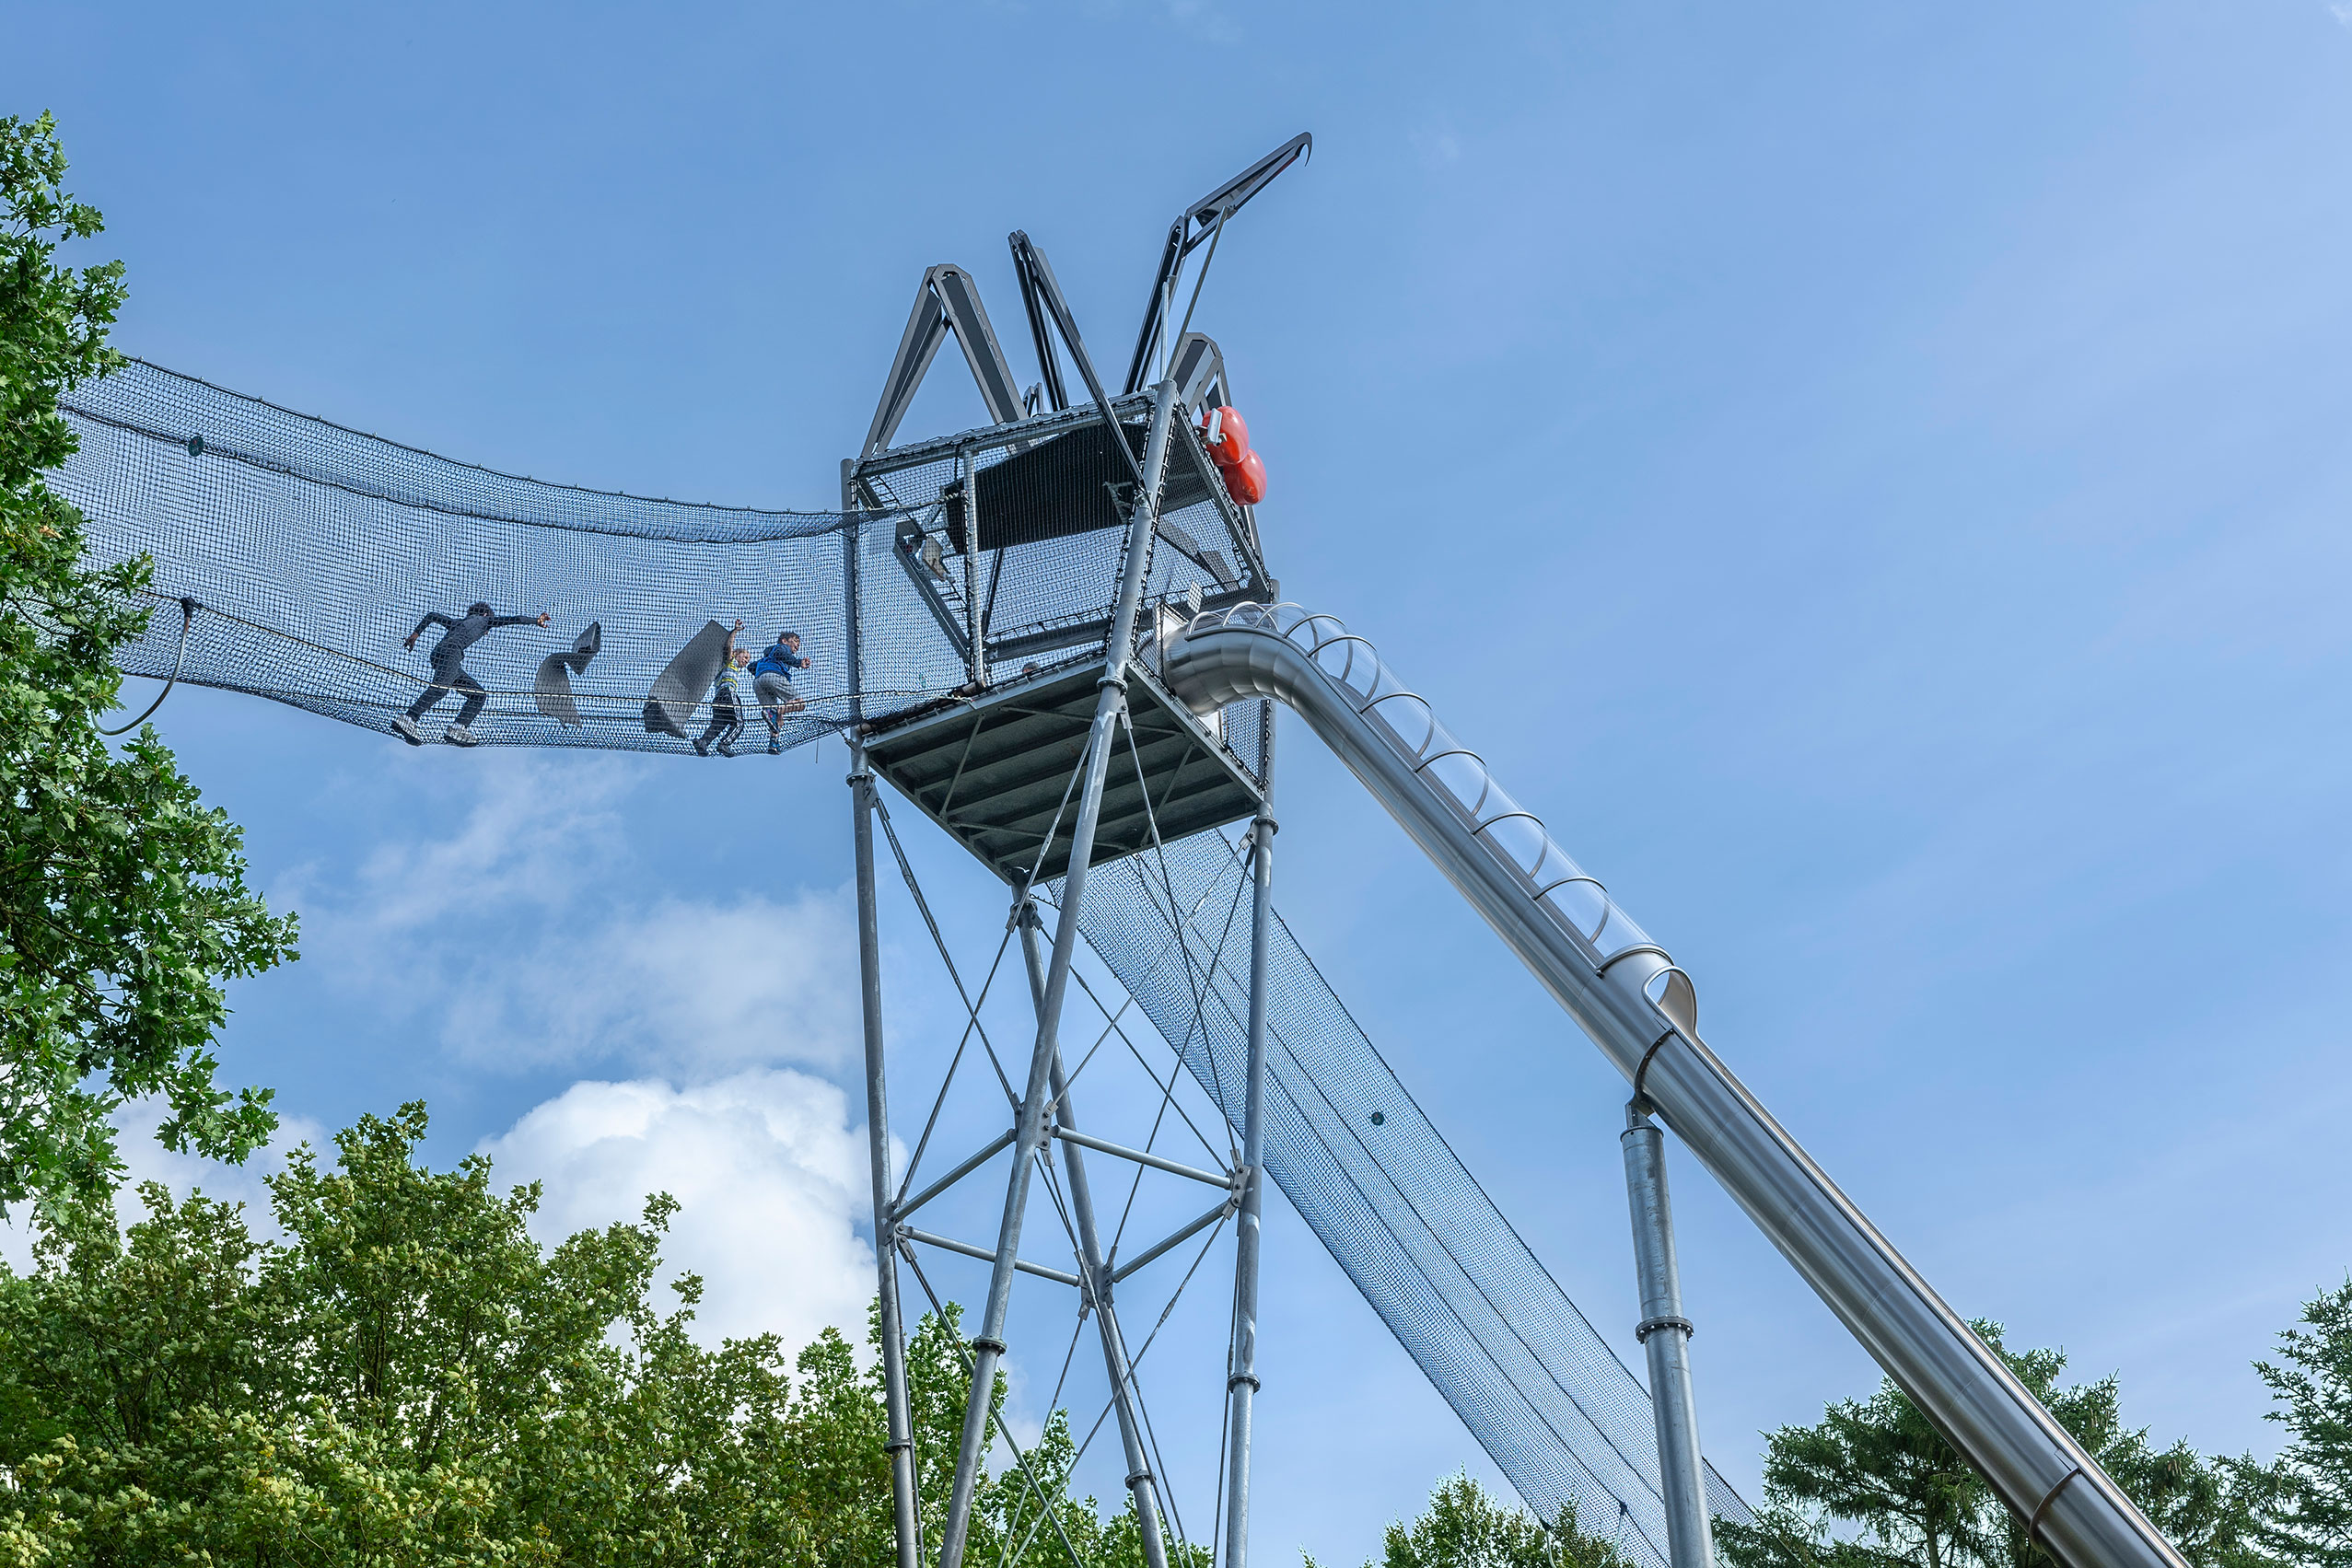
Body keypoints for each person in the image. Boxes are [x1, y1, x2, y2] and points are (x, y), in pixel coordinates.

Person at [392, 601, 550, 746]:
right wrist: (536, 620)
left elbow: (432, 616)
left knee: (478, 694)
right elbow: (515, 619)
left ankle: (458, 727)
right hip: (451, 653)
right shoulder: (485, 621)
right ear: (486, 614)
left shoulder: (458, 623)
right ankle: (408, 718)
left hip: (442, 656)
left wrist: (414, 636)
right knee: (440, 689)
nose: (486, 632)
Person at [751, 629, 812, 755]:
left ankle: (773, 744)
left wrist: (762, 673)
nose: (798, 645)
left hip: (758, 682)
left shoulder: (768, 657)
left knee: (778, 720)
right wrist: (798, 662)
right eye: (795, 641)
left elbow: (751, 666)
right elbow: (780, 653)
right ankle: (775, 710)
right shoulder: (782, 648)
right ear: (784, 641)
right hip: (774, 676)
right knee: (800, 703)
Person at [695, 620, 750, 757]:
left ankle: (703, 742)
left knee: (719, 724)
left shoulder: (726, 668)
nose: (747, 660)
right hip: (728, 694)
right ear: (736, 654)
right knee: (739, 724)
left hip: (718, 699)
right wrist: (734, 631)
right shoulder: (730, 661)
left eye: (748, 659)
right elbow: (729, 647)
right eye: (745, 656)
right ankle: (724, 743)